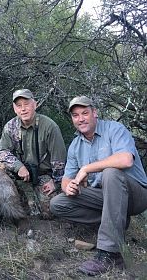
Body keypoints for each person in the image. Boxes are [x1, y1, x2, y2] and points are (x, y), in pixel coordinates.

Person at [50, 96, 147, 276]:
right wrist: (68, 187)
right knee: (58, 203)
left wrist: (86, 168)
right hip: (106, 197)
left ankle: (110, 254)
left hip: (137, 195)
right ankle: (117, 222)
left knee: (111, 173)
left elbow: (126, 160)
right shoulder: (75, 145)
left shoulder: (114, 129)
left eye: (85, 113)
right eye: (76, 115)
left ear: (95, 113)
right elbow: (66, 179)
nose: (81, 119)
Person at [0, 89, 66, 219]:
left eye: (26, 104)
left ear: (35, 104)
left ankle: (33, 203)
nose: (23, 109)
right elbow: (2, 151)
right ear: (14, 109)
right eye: (19, 105)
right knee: (0, 170)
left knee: (50, 211)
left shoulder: (50, 126)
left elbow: (59, 161)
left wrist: (56, 182)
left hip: (43, 174)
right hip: (21, 175)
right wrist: (19, 167)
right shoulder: (10, 126)